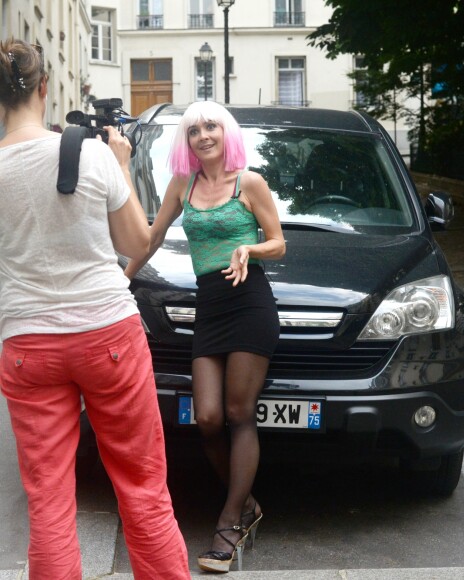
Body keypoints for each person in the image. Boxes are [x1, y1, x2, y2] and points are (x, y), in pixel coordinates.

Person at [0, 39, 190, 580]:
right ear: (45, 90)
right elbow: (135, 241)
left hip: (27, 345)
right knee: (142, 485)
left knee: (49, 502)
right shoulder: (90, 154)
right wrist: (121, 165)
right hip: (106, 332)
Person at [124, 100, 286, 573]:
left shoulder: (249, 182)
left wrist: (248, 246)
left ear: (225, 133)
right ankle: (249, 505)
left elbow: (278, 243)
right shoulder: (183, 184)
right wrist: (123, 279)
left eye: (212, 126)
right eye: (195, 130)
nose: (204, 135)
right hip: (210, 306)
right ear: (188, 141)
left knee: (238, 412)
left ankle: (229, 524)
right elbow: (151, 236)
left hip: (251, 303)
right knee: (209, 417)